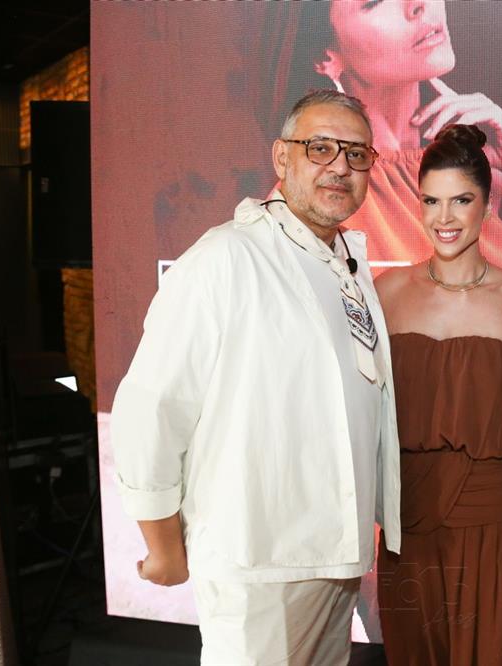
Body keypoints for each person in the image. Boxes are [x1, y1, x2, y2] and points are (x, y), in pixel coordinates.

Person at [110, 89, 401, 665]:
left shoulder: (347, 264)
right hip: (257, 562)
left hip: (337, 558)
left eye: (356, 154)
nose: (340, 166)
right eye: (320, 148)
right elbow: (151, 406)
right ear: (281, 157)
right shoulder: (226, 257)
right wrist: (162, 546)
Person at [374, 124, 502, 665]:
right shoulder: (386, 294)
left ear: (488, 205)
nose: (444, 217)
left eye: (461, 200)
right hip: (408, 518)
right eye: (431, 200)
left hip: (496, 519)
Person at [267, 0, 502, 276]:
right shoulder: (317, 190)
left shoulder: (475, 160)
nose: (417, 5)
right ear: (325, 58)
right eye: (375, 1)